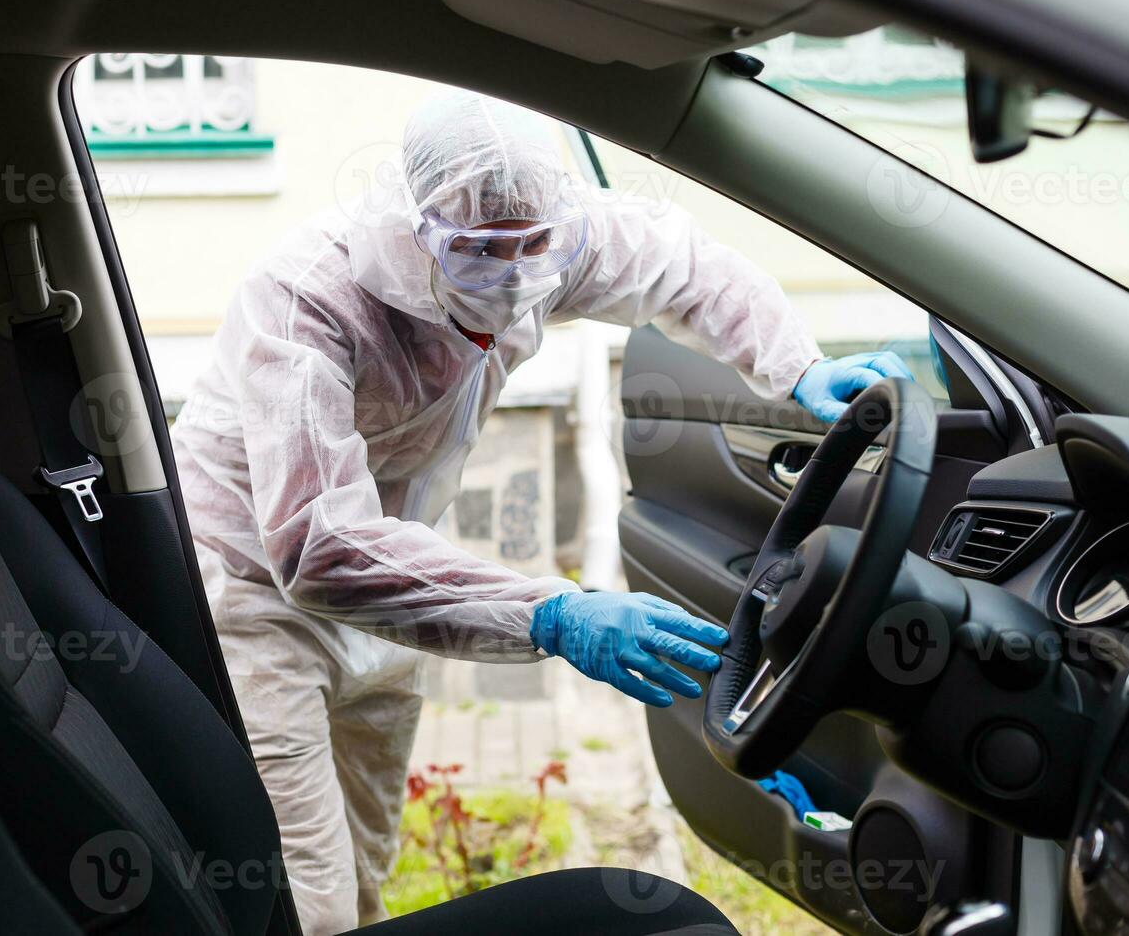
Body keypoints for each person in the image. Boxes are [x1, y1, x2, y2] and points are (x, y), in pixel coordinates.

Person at [171, 89, 911, 934]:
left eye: (534, 246)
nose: (517, 272)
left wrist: (794, 363)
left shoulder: (548, 236)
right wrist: (548, 612)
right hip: (254, 593)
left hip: (397, 575)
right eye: (483, 249)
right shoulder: (309, 299)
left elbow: (681, 261)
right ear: (421, 226)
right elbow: (316, 543)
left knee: (368, 861)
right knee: (308, 896)